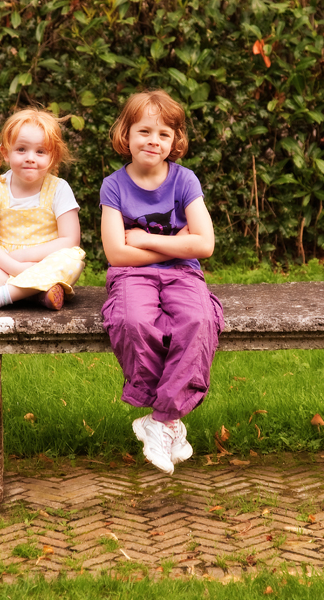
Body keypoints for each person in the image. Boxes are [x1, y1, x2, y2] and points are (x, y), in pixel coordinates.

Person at [99, 90, 224, 475]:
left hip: (184, 274)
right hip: (131, 275)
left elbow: (205, 245)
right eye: (144, 131)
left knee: (198, 320)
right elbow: (116, 254)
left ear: (175, 141)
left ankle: (160, 419)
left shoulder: (185, 180)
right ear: (126, 134)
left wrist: (144, 240)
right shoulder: (114, 186)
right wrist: (175, 245)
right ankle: (169, 421)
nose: (154, 140)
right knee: (133, 321)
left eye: (164, 134)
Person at [0, 107, 85, 312]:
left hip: (43, 262)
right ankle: (37, 294)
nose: (30, 157)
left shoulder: (59, 189)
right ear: (6, 153)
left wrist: (23, 257)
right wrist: (16, 267)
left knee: (71, 261)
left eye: (40, 151)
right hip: (3, 262)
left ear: (53, 156)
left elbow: (70, 240)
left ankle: (0, 296)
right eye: (21, 149)